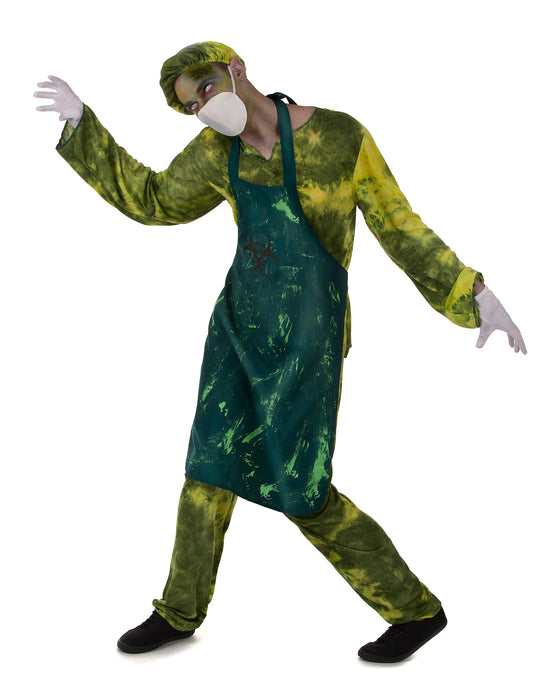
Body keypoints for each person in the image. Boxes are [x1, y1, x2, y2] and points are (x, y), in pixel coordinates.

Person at [34, 41, 526, 664]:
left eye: (206, 88)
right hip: (237, 332)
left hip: (307, 345)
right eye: (191, 106)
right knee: (207, 471)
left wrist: (472, 293)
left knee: (304, 490)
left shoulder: (340, 138)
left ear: (236, 70)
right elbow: (153, 199)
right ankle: (179, 611)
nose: (204, 108)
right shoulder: (214, 153)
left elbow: (399, 225)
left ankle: (415, 610)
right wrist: (83, 126)